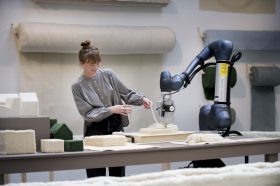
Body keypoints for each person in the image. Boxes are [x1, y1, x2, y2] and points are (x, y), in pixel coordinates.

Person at [71, 40, 153, 178]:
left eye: (98, 63)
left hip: (116, 128)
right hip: (94, 130)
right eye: (91, 64)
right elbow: (88, 114)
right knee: (96, 177)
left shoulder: (109, 74)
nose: (95, 67)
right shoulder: (77, 86)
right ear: (81, 63)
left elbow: (126, 93)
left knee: (118, 175)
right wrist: (111, 109)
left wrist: (142, 99)